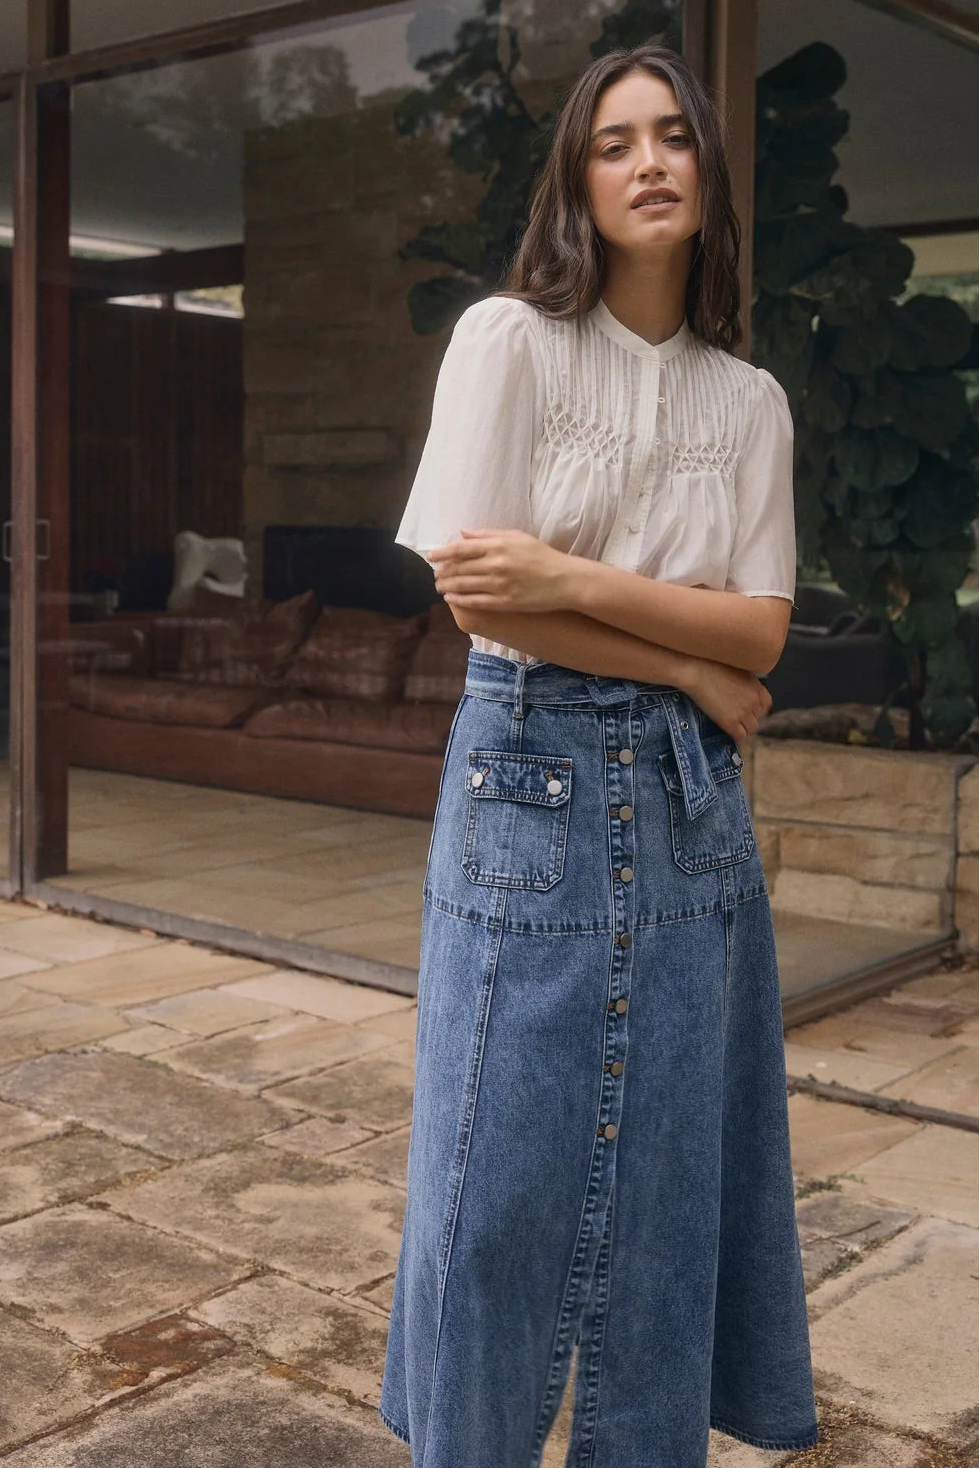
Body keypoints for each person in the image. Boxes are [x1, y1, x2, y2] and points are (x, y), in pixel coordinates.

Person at [378, 41, 819, 1469]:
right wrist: (683, 656)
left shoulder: (747, 403)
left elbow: (760, 633)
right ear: (577, 178)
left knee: (670, 1197)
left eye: (674, 137)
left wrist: (586, 591)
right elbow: (478, 596)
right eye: (615, 140)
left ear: (705, 172)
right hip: (528, 777)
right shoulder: (508, 341)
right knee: (490, 1189)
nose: (649, 161)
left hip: (694, 806)